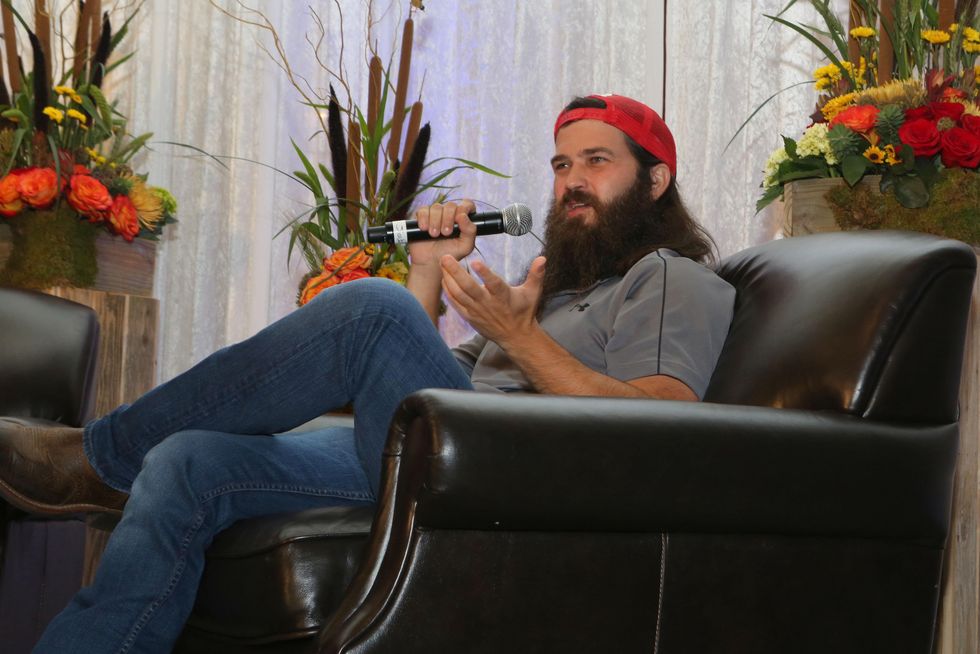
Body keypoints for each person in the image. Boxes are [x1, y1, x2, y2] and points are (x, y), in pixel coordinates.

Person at [0, 93, 735, 653]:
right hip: (443, 452)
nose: (571, 181)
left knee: (372, 309)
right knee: (187, 459)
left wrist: (520, 334)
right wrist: (427, 270)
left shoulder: (672, 278)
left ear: (656, 178)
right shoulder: (555, 291)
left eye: (597, 161)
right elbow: (422, 393)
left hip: (526, 476)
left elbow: (658, 423)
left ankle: (99, 458)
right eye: (561, 164)